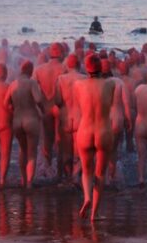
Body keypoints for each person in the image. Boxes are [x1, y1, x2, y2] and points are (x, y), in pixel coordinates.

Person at [74, 54, 116, 220]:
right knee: (100, 173)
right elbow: (110, 103)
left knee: (86, 171)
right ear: (101, 68)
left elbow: (80, 104)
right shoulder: (110, 84)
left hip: (85, 130)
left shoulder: (78, 84)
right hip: (103, 130)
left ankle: (87, 197)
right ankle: (95, 213)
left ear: (86, 68)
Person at [4, 60, 45, 189]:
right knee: (32, 153)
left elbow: (5, 103)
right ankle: (29, 183)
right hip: (31, 119)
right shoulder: (31, 83)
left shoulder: (13, 84)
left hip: (17, 120)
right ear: (30, 71)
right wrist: (43, 110)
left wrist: (13, 111)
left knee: (22, 150)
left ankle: (23, 178)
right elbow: (38, 99)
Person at [33, 42, 66, 176]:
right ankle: (59, 173)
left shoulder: (39, 70)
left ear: (50, 53)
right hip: (60, 108)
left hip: (45, 108)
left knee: (46, 140)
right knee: (60, 140)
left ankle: (46, 169)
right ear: (61, 53)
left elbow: (33, 91)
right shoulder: (65, 69)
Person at [55, 54, 86, 182]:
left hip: (66, 118)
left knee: (66, 151)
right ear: (79, 65)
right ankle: (76, 176)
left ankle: (68, 176)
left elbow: (57, 100)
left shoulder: (61, 79)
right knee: (79, 152)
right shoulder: (84, 78)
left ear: (68, 65)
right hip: (80, 118)